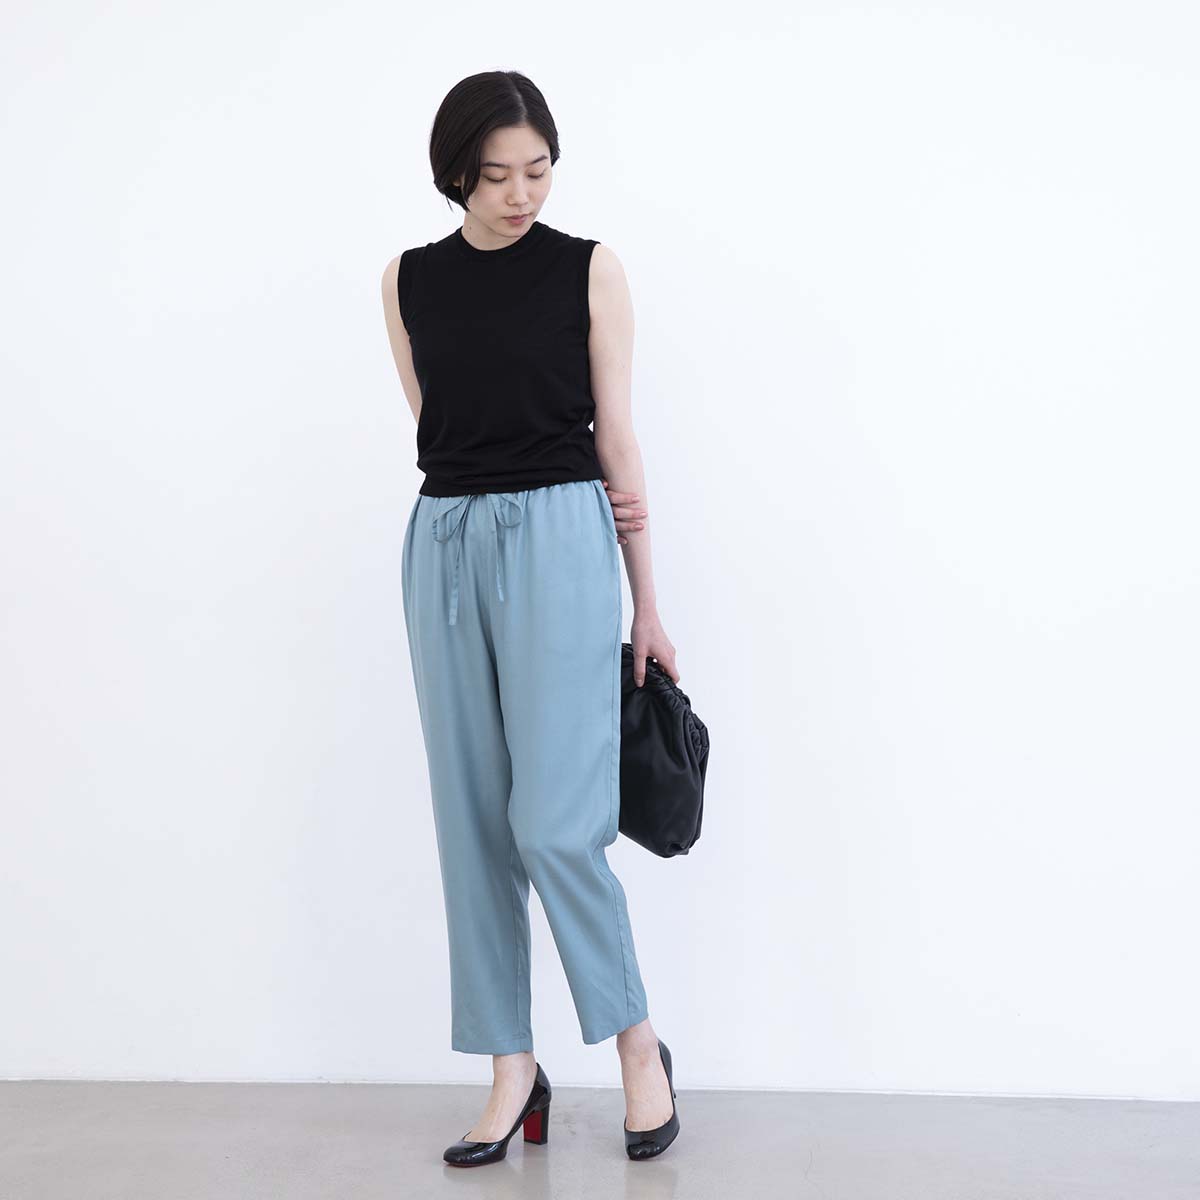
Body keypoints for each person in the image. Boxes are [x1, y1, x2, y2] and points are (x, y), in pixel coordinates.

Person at [381, 69, 681, 1164]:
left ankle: (637, 1045)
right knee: (470, 818)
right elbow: (437, 425)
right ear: (456, 174)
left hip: (561, 533)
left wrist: (647, 604)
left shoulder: (588, 268)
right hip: (444, 543)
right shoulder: (407, 281)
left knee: (558, 822)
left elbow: (617, 436)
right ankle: (512, 1067)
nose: (521, 195)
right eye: (498, 175)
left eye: (539, 171)